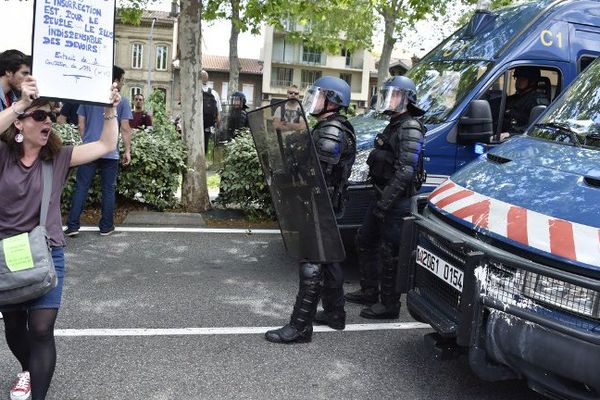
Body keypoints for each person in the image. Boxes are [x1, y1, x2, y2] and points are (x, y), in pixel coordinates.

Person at [0, 76, 120, 400]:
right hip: (6, 254)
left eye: (50, 116)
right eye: (39, 116)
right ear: (20, 124)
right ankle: (27, 369)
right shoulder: (3, 155)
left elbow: (105, 146)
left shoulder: (59, 157)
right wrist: (21, 103)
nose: (48, 122)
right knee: (14, 327)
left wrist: (110, 111)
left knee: (40, 328)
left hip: (47, 251)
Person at [265, 76, 356, 343]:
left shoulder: (332, 132)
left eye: (318, 96)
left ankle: (300, 327)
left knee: (312, 261)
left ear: (333, 101)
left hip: (319, 203)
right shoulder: (327, 126)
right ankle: (334, 314)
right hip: (323, 203)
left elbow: (317, 175)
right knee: (329, 258)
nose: (312, 101)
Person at [345, 76, 426, 319]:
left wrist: (385, 203)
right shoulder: (394, 124)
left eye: (395, 95)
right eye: (387, 94)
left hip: (397, 201)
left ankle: (389, 305)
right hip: (382, 196)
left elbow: (406, 171)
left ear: (407, 99)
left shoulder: (410, 127)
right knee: (365, 240)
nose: (389, 100)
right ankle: (370, 291)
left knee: (390, 252)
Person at [64, 66, 132, 237]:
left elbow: (81, 124)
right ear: (115, 81)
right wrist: (127, 151)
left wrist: (87, 141)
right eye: (122, 80)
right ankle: (106, 226)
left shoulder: (88, 99)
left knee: (81, 187)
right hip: (110, 152)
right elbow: (125, 128)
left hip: (89, 150)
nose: (122, 83)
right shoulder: (122, 101)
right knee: (108, 189)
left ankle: (72, 226)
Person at [502, 66, 549, 135]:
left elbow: (536, 128)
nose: (518, 81)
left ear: (533, 81)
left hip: (519, 140)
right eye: (517, 78)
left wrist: (510, 134)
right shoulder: (513, 99)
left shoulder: (538, 102)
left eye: (523, 78)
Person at [201, 70, 222, 154]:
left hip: (195, 126)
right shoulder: (214, 93)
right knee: (204, 149)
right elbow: (218, 114)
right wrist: (218, 126)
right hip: (208, 127)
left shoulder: (194, 92)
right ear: (207, 79)